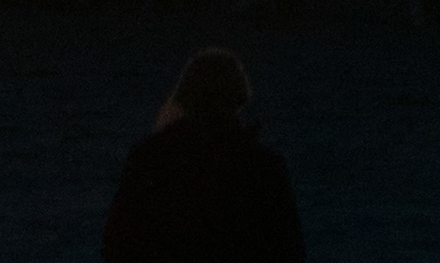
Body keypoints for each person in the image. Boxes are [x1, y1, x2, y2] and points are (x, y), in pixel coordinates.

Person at [100, 46, 303, 263]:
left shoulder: (149, 157)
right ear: (239, 98)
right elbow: (288, 248)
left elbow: (117, 243)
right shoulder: (263, 165)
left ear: (185, 96)